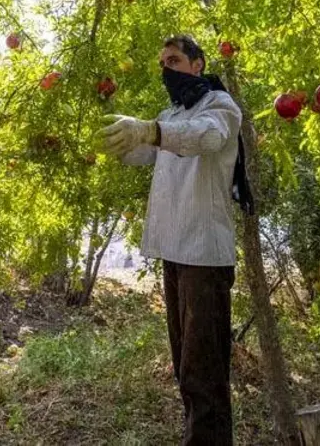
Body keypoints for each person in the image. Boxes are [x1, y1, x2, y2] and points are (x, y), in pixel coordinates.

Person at [96, 34, 247, 445]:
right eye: (163, 62)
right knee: (186, 366)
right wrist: (115, 135)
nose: (168, 69)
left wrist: (150, 130)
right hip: (175, 253)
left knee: (204, 370)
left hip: (205, 256)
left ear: (198, 64)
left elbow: (205, 137)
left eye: (175, 60)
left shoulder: (220, 105)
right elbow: (143, 152)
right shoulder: (170, 114)